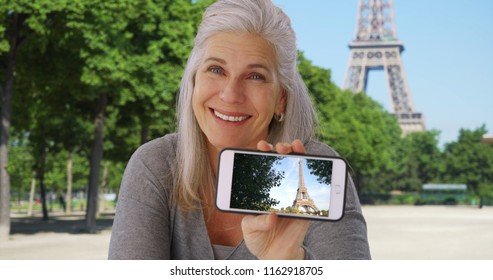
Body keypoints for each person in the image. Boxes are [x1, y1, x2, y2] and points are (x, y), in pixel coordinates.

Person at [108, 0, 371, 260]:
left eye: (255, 76)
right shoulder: (155, 165)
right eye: (216, 69)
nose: (230, 94)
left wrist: (287, 263)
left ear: (282, 98)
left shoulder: (314, 175)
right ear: (194, 81)